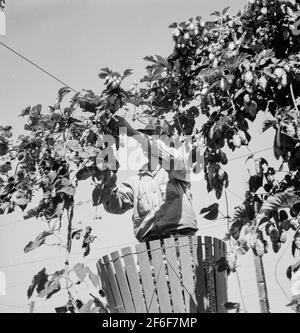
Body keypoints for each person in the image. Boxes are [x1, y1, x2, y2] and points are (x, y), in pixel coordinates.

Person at [95, 115, 199, 243]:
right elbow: (115, 206)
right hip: (151, 245)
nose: (151, 142)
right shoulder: (135, 182)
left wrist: (133, 133)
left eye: (156, 138)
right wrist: (108, 181)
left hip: (181, 239)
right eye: (149, 137)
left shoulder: (178, 169)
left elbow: (170, 157)